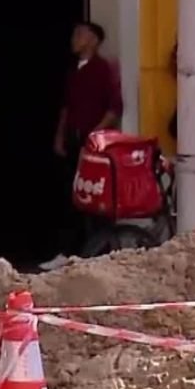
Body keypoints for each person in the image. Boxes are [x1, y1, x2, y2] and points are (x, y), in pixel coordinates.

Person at [44, 21, 124, 270]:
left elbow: (114, 108)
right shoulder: (73, 72)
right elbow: (66, 108)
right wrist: (59, 136)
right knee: (71, 197)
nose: (75, 38)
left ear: (93, 40)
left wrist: (94, 136)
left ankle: (96, 252)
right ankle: (67, 252)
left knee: (93, 198)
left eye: (80, 34)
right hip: (73, 139)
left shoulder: (103, 69)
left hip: (93, 144)